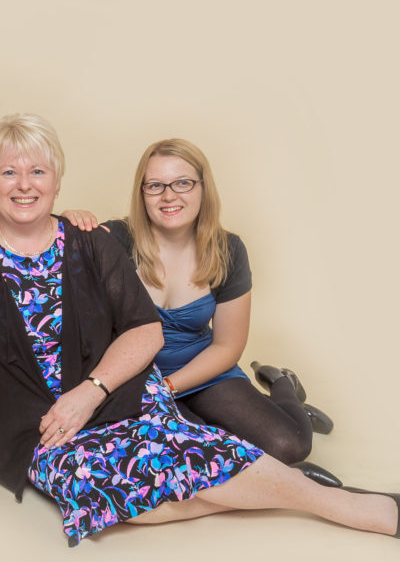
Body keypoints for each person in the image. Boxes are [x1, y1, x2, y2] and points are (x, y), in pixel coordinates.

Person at [0, 113, 400, 547]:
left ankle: (350, 507)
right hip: (28, 426)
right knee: (117, 504)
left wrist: (90, 394)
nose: (24, 185)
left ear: (57, 179)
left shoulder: (89, 244)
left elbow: (144, 332)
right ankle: (281, 489)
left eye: (37, 171)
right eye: (8, 172)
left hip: (112, 391)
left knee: (192, 455)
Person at [94, 139, 332, 464]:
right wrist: (70, 216)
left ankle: (283, 384)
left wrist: (169, 387)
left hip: (201, 369)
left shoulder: (229, 250)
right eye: (155, 185)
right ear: (142, 193)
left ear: (203, 188)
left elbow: (227, 346)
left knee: (289, 445)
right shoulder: (117, 239)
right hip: (134, 378)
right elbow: (54, 241)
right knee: (193, 452)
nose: (169, 195)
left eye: (182, 183)